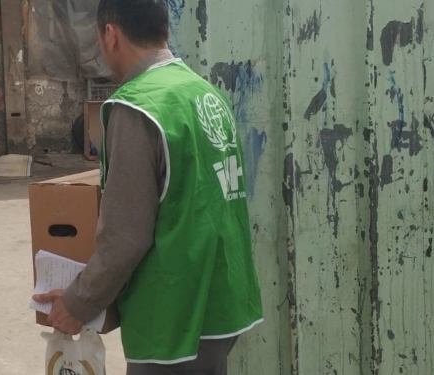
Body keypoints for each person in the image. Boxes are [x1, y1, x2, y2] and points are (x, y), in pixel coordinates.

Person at [33, 1, 263, 374]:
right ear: (164, 32)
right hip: (223, 302)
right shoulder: (205, 93)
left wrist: (79, 302)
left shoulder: (137, 106)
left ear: (110, 34)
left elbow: (125, 236)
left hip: (173, 318)